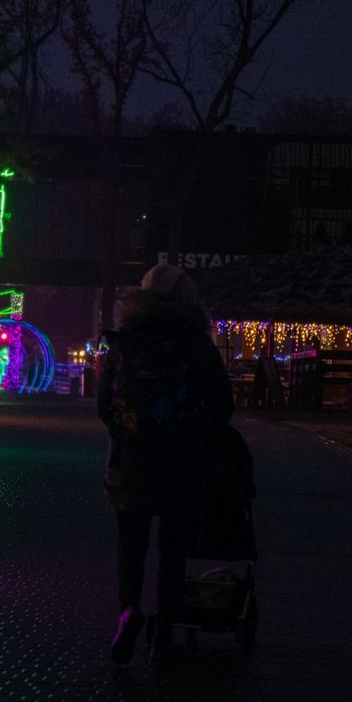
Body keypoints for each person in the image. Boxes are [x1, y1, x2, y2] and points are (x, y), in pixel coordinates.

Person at [97, 264, 234, 664]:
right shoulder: (195, 343)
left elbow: (104, 405)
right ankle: (165, 630)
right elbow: (223, 405)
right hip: (183, 463)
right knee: (174, 550)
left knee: (131, 544)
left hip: (132, 462)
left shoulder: (123, 342)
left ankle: (128, 611)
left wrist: (128, 432)